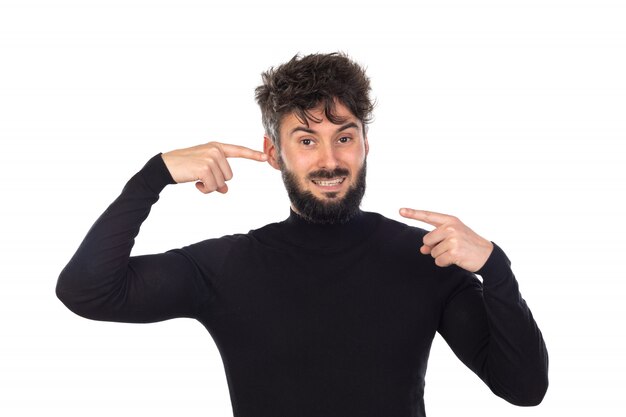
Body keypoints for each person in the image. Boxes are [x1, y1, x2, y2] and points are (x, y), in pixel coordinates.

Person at [56, 52, 548, 417]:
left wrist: (494, 268)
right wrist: (154, 174)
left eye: (344, 137)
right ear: (274, 153)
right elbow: (87, 290)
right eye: (307, 140)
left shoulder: (422, 258)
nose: (330, 161)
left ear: (365, 144)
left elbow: (524, 387)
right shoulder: (227, 268)